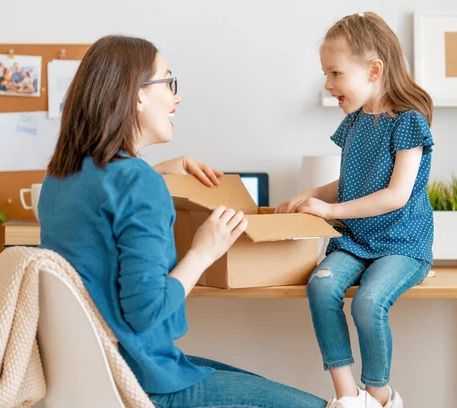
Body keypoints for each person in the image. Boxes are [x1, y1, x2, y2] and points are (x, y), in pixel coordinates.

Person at [38, 34, 327, 408]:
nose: (176, 97)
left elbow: (103, 215)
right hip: (142, 381)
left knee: (248, 381)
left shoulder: (60, 178)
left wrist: (153, 175)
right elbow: (148, 313)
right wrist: (204, 251)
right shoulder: (137, 183)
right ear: (137, 94)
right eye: (168, 82)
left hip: (91, 372)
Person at [277, 12, 435, 408]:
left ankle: (380, 395)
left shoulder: (408, 123)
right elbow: (353, 183)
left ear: (373, 70)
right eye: (325, 75)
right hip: (356, 240)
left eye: (335, 73)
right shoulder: (354, 124)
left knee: (368, 302)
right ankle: (347, 395)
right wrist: (311, 194)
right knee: (322, 286)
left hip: (401, 244)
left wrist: (330, 206)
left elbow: (396, 194)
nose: (329, 85)